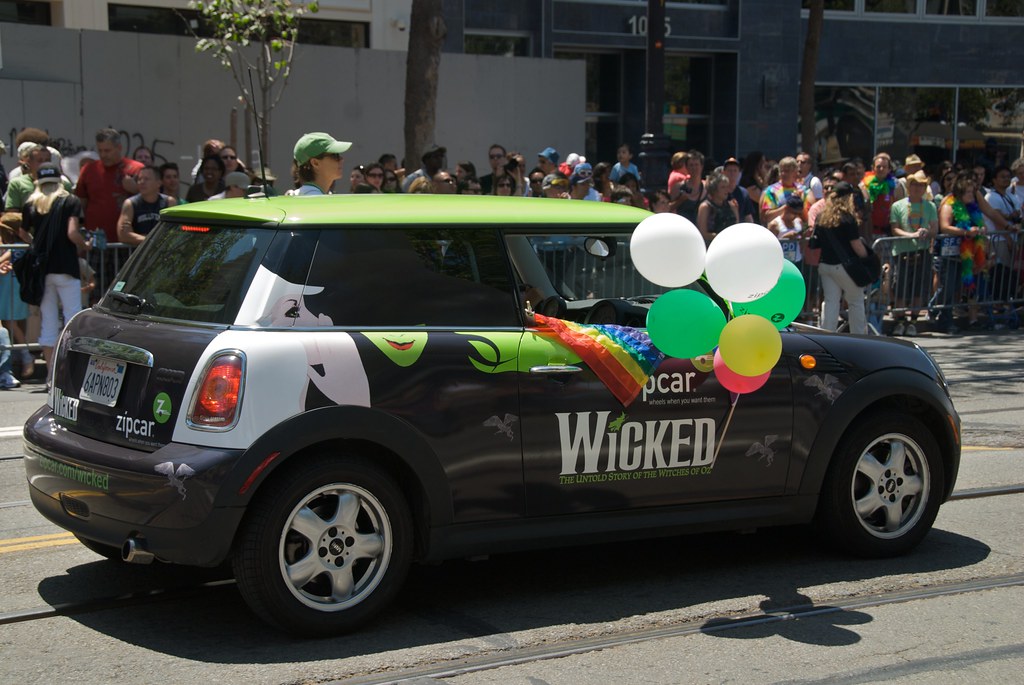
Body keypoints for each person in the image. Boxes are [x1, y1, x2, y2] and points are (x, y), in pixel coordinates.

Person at [22, 163, 90, 382]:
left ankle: (50, 376)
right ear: (60, 181)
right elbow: (72, 233)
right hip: (66, 267)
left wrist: (36, 246)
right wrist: (85, 244)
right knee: (73, 319)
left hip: (42, 270)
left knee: (48, 323)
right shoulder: (71, 201)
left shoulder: (32, 203)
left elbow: (23, 231)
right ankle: (70, 375)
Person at [933, 172, 984, 333]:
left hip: (963, 253)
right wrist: (966, 232)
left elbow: (978, 223)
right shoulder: (949, 204)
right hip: (948, 253)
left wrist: (980, 229)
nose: (972, 195)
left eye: (972, 191)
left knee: (955, 287)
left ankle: (944, 316)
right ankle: (941, 318)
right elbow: (945, 226)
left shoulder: (971, 207)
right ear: (960, 192)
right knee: (947, 287)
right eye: (968, 192)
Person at [815, 181, 868, 334]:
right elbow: (856, 245)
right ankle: (859, 337)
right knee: (855, 301)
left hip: (825, 265)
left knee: (831, 301)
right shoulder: (848, 218)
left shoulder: (821, 217)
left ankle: (826, 336)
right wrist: (867, 259)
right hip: (845, 266)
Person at [889, 170, 937, 336]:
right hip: (902, 252)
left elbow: (935, 229)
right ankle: (900, 322)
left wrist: (927, 232)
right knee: (900, 288)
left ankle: (913, 323)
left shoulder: (930, 206)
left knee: (918, 289)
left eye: (921, 185)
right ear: (909, 186)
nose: (917, 188)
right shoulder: (898, 205)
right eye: (914, 184)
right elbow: (894, 229)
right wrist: (911, 235)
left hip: (922, 252)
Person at [74, 128, 142, 244]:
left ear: (119, 148)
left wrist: (136, 190)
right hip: (95, 241)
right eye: (100, 151)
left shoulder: (136, 169)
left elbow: (151, 200)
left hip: (127, 242)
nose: (103, 155)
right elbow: (81, 203)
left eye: (107, 151)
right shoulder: (89, 170)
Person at [117, 165, 177, 246]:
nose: (142, 182)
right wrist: (151, 241)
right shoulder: (130, 204)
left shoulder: (169, 202)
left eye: (146, 179)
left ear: (158, 183)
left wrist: (139, 238)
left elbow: (174, 232)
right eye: (139, 179)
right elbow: (123, 235)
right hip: (138, 255)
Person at [289, 132, 350, 196]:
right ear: (315, 163)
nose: (341, 159)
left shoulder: (308, 195)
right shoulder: (313, 198)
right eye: (334, 155)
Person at [695, 171, 738, 244]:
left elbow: (736, 227)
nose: (726, 190)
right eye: (723, 187)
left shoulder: (732, 206)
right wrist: (722, 237)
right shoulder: (705, 207)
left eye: (727, 187)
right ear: (714, 189)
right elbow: (703, 233)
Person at [760, 156, 804, 226]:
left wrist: (799, 201)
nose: (783, 174)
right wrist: (786, 207)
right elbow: (767, 217)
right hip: (778, 232)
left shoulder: (802, 190)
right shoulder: (772, 190)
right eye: (781, 171)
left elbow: (807, 218)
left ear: (795, 172)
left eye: (787, 171)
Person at [768, 193, 807, 266]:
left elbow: (802, 243)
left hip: (796, 261)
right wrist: (785, 238)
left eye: (799, 214)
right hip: (780, 263)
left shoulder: (799, 222)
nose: (796, 216)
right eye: (794, 213)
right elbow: (769, 247)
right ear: (786, 208)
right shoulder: (775, 224)